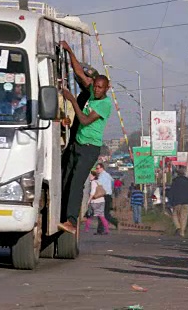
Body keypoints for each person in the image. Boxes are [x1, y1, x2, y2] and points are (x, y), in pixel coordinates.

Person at [58, 40, 112, 234]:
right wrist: (69, 50)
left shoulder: (104, 105)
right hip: (78, 144)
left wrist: (72, 99)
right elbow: (79, 72)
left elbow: (84, 119)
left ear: (107, 88)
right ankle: (61, 216)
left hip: (90, 148)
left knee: (76, 182)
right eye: (95, 87)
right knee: (65, 179)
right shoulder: (91, 92)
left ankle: (72, 221)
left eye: (100, 88)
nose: (96, 90)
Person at [168, 166, 188, 237]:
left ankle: (178, 227)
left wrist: (170, 201)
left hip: (176, 202)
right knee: (184, 217)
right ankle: (182, 232)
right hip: (186, 202)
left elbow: (171, 192)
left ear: (177, 174)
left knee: (174, 215)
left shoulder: (175, 182)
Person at [96, 163, 119, 233]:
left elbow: (99, 186)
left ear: (102, 168)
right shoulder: (107, 175)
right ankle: (101, 229)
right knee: (105, 213)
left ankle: (101, 229)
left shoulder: (102, 176)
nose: (97, 170)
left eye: (98, 168)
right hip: (108, 196)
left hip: (104, 196)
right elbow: (112, 182)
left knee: (102, 213)